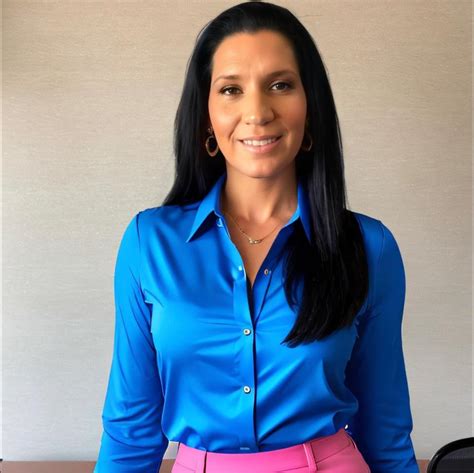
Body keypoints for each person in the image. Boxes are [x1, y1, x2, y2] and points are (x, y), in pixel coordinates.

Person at [94, 2, 419, 472]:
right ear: (207, 116)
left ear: (310, 106)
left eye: (280, 85)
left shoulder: (370, 248)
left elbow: (385, 429)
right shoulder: (150, 244)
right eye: (231, 89)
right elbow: (130, 430)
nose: (257, 112)